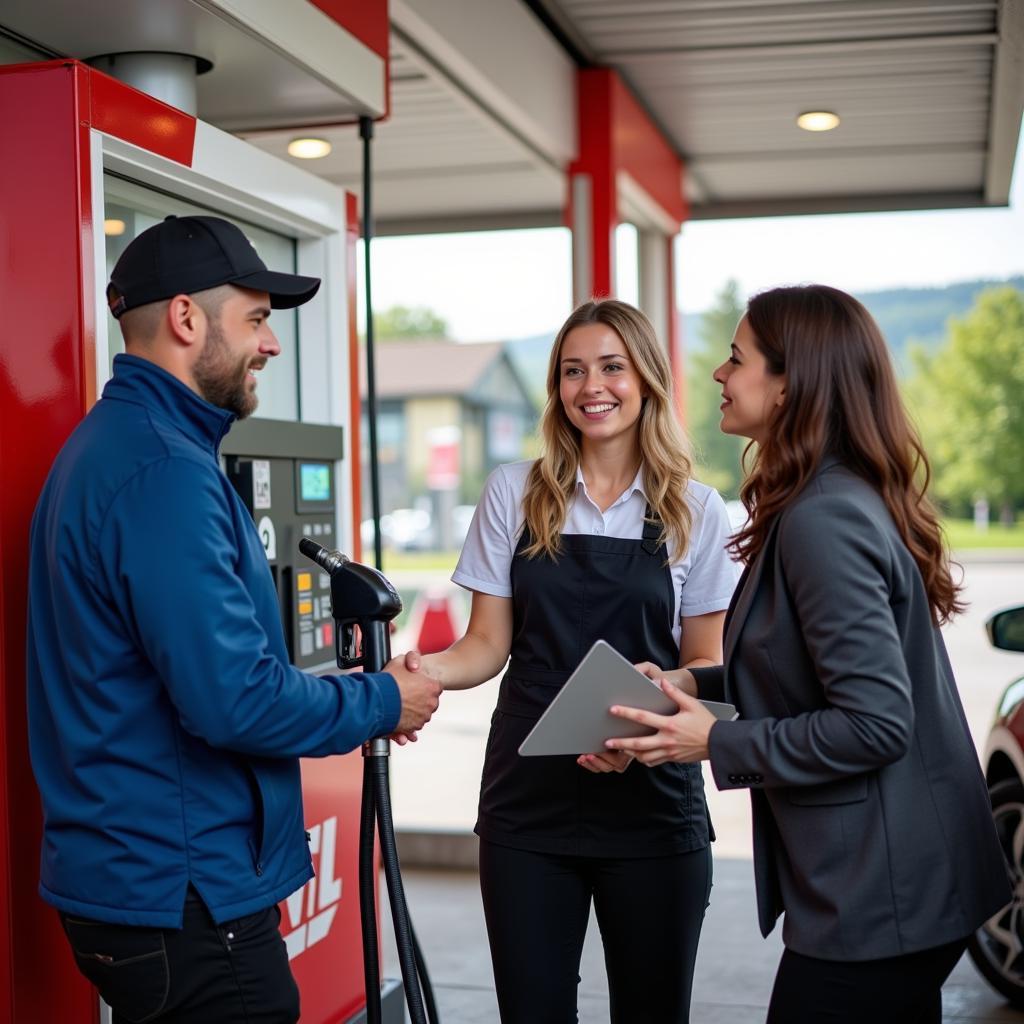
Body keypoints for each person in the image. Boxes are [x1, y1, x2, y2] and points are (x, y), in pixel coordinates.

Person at [26, 215, 442, 1024]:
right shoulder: (162, 473)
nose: (272, 344)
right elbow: (235, 700)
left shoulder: (117, 447)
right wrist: (384, 700)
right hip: (185, 895)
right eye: (256, 319)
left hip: (144, 882)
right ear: (186, 319)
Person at [606, 284, 1010, 1024]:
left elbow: (876, 722)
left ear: (791, 383)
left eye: (737, 359)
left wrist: (716, 741)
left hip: (883, 894)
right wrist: (688, 679)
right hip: (898, 886)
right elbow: (798, 666)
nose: (720, 376)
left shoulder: (823, 518)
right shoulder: (828, 496)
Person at [404, 299, 738, 1023]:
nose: (594, 386)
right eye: (573, 370)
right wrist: (421, 674)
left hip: (651, 801)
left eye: (613, 367)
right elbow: (486, 643)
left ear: (646, 378)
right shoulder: (514, 493)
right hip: (530, 801)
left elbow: (705, 662)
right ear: (557, 388)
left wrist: (635, 735)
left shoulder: (698, 510)